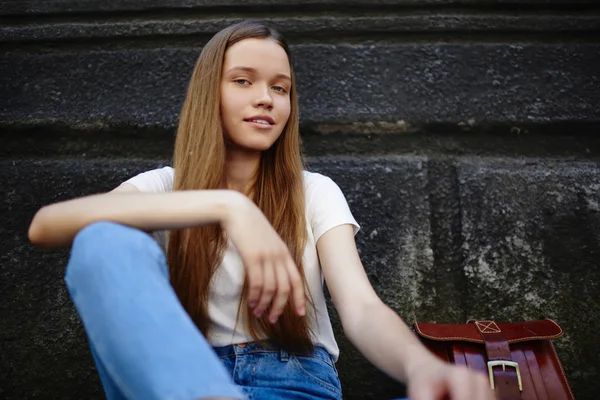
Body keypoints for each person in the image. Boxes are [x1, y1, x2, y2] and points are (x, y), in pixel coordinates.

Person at [28, 20, 495, 400]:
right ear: (210, 93)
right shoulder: (161, 186)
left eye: (281, 88)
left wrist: (421, 367)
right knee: (103, 237)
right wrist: (232, 207)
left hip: (293, 383)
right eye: (243, 81)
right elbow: (46, 227)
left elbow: (362, 308)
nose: (266, 99)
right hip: (172, 381)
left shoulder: (314, 192)